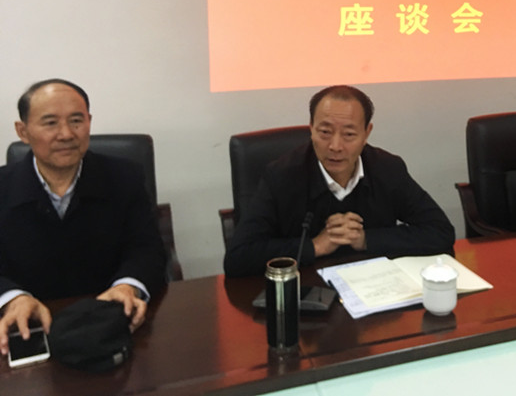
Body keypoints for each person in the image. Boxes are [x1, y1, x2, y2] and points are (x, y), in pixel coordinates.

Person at [0, 79, 167, 356]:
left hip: (108, 328)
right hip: (28, 332)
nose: (66, 134)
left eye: (76, 121)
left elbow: (146, 248)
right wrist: (12, 298)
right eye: (50, 123)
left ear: (89, 122)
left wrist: (128, 286)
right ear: (23, 132)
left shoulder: (124, 177)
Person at [224, 85, 455, 276]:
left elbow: (441, 232)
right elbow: (238, 257)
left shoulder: (387, 169)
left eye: (349, 134)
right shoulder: (281, 176)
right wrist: (315, 246)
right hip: (307, 293)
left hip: (374, 289)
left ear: (366, 133)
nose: (335, 146)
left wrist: (366, 239)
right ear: (311, 129)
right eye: (325, 132)